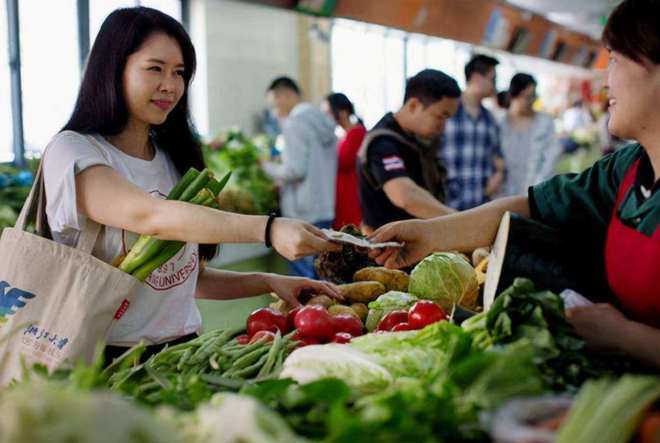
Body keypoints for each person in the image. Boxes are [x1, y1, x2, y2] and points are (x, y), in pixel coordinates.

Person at [368, 0, 660, 369]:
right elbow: (531, 206)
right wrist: (431, 234)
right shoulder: (625, 169)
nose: (606, 82)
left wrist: (624, 335)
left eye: (616, 60)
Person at [41, 8, 340, 362]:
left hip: (181, 351)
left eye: (179, 72)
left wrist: (268, 280)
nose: (170, 85)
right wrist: (269, 228)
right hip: (103, 358)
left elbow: (187, 280)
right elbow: (149, 216)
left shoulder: (173, 159)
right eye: (155, 69)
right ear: (113, 68)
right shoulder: (73, 150)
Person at [357, 69, 460, 233]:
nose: (443, 127)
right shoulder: (382, 143)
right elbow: (405, 196)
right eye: (441, 116)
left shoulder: (414, 139)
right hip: (386, 251)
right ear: (413, 105)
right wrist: (460, 221)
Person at [261, 77, 338, 278]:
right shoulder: (323, 121)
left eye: (273, 103)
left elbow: (295, 170)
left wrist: (266, 167)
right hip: (324, 207)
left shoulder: (295, 124)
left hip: (303, 211)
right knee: (323, 272)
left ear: (285, 95)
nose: (274, 110)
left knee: (304, 280)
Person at [439, 54, 506, 210]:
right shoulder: (446, 114)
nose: (495, 85)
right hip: (447, 207)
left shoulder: (490, 119)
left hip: (482, 208)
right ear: (476, 78)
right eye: (492, 79)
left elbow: (498, 156)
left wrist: (499, 174)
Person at [499, 73, 561, 196]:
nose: (531, 101)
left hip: (537, 194)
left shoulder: (545, 122)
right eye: (526, 97)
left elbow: (549, 160)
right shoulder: (500, 123)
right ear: (513, 95)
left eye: (533, 96)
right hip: (504, 196)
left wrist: (532, 193)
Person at [322, 92, 366, 230]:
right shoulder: (344, 136)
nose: (326, 117)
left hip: (350, 195)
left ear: (342, 111)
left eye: (328, 112)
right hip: (342, 195)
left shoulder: (357, 133)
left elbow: (344, 161)